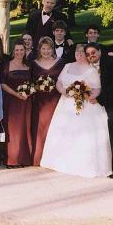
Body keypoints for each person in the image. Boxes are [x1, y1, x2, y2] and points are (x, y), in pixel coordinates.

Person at [41, 44, 112, 178]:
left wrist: (87, 97)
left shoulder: (92, 70)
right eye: (76, 51)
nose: (78, 54)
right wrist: (64, 92)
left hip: (84, 106)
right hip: (65, 104)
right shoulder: (67, 66)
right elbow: (59, 82)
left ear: (86, 54)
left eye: (81, 52)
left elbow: (97, 89)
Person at [85, 43, 113, 178]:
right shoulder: (99, 64)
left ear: (99, 51)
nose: (90, 56)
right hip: (109, 103)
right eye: (88, 54)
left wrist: (99, 99)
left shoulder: (111, 62)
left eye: (93, 52)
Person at [31, 36, 65, 166]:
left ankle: (54, 158)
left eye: (49, 48)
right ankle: (38, 157)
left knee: (55, 127)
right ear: (39, 49)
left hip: (56, 100)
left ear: (53, 49)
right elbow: (30, 81)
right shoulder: (33, 63)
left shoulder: (61, 62)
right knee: (39, 127)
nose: (46, 51)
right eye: (43, 48)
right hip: (40, 101)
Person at [0, 39, 33, 167]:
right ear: (13, 51)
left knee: (24, 128)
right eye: (17, 50)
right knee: (12, 130)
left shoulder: (29, 65)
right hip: (11, 101)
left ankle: (24, 158)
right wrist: (15, 94)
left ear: (25, 51)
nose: (19, 52)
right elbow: (2, 83)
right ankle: (12, 159)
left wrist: (28, 93)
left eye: (22, 50)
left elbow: (33, 82)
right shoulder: (7, 65)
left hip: (26, 102)